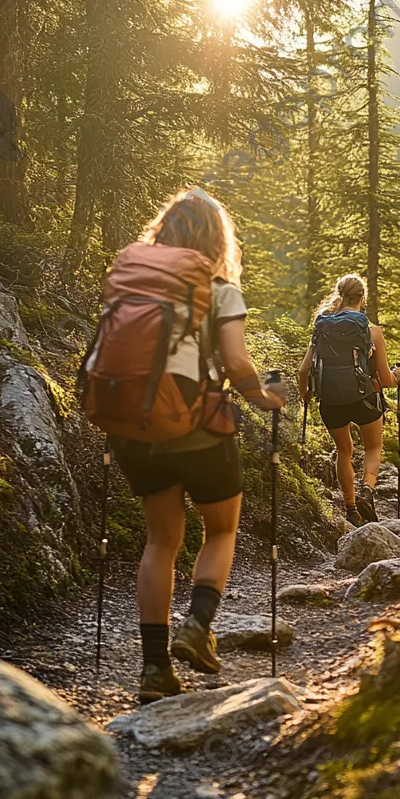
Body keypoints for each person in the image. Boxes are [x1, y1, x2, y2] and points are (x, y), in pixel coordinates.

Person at [104, 190, 287, 704]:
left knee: (161, 540)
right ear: (215, 238)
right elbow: (234, 363)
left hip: (133, 423)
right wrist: (264, 397)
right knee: (221, 526)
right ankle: (198, 626)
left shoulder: (130, 284)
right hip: (195, 423)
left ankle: (154, 669)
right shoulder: (219, 289)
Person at [298, 275, 400, 526]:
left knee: (343, 451)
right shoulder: (372, 331)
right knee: (373, 447)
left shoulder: (321, 328)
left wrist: (306, 397)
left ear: (340, 295)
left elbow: (302, 372)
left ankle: (351, 509)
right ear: (362, 298)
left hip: (331, 401)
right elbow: (386, 379)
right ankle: (367, 489)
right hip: (363, 398)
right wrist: (399, 375)